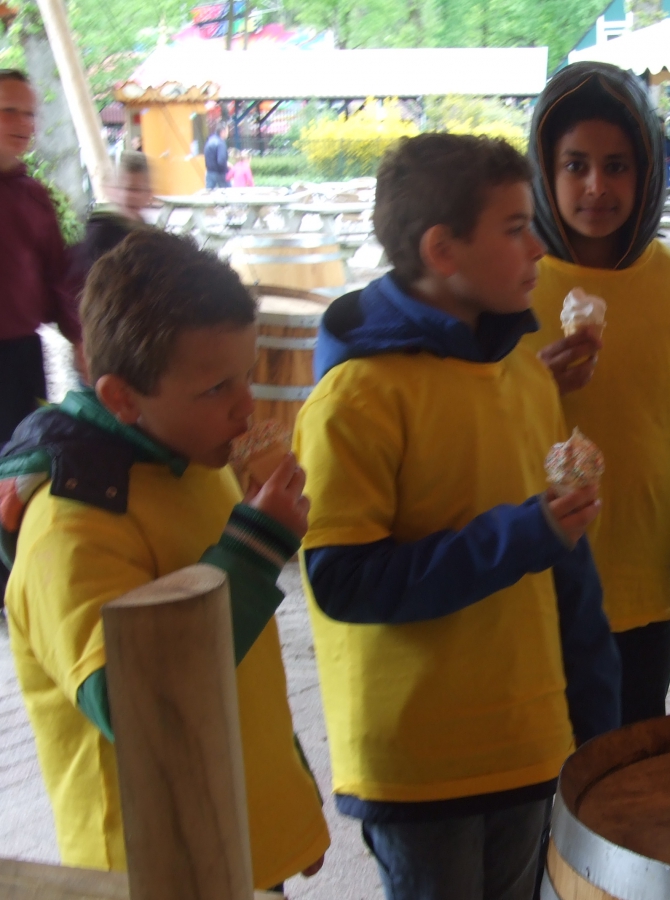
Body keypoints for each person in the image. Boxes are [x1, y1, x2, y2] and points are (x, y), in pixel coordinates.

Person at [294, 132, 619, 900]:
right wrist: (524, 534)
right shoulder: (357, 397)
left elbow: (566, 569)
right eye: (515, 229)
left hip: (528, 744)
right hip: (420, 763)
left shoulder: (526, 377)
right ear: (443, 250)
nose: (539, 247)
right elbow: (343, 580)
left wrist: (596, 718)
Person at [0, 230, 330, 890]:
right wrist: (255, 547)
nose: (247, 407)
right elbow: (131, 706)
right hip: (151, 865)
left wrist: (288, 801)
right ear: (122, 398)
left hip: (237, 838)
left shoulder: (195, 462)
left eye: (249, 375)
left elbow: (245, 671)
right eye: (216, 388)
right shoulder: (71, 524)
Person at [524, 62, 670, 725]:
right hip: (528, 592)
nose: (597, 186)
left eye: (617, 166)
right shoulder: (512, 285)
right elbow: (464, 428)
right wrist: (533, 385)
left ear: (647, 172)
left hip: (641, 601)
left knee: (627, 774)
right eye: (576, 165)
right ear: (544, 171)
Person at [0, 68, 82, 447]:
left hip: (21, 356)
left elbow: (57, 276)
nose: (23, 123)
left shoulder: (34, 197)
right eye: (9, 111)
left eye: (30, 113)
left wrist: (80, 339)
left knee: (22, 457)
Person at [67, 151, 154, 290]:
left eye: (138, 190)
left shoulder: (151, 237)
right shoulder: (100, 233)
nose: (132, 196)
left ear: (149, 194)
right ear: (114, 191)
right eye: (128, 189)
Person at [205, 122, 230, 189]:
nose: (228, 133)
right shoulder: (220, 143)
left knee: (209, 193)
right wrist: (227, 166)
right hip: (220, 174)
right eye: (227, 130)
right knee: (228, 192)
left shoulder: (209, 141)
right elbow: (221, 161)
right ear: (223, 131)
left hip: (209, 173)